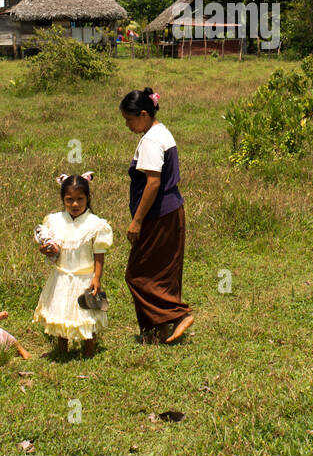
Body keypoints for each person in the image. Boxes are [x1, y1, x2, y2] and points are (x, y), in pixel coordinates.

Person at [120, 88, 194, 344]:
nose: (128, 125)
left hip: (158, 215)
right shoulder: (161, 131)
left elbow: (152, 183)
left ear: (143, 114)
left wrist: (136, 221)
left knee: (137, 274)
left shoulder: (151, 140)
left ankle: (179, 314)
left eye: (130, 120)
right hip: (172, 211)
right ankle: (160, 331)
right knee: (162, 271)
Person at [32, 172, 112, 359]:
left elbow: (99, 254)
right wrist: (46, 250)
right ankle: (62, 349)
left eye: (79, 199)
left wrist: (96, 278)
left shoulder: (96, 224)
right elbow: (49, 248)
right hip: (61, 276)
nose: (74, 204)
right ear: (63, 199)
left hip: (85, 277)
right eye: (69, 200)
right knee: (60, 310)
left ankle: (89, 350)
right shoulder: (55, 221)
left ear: (88, 198)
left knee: (86, 314)